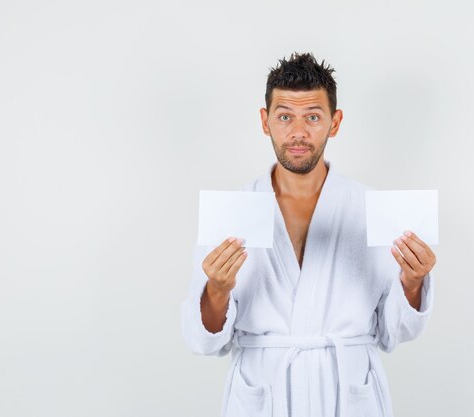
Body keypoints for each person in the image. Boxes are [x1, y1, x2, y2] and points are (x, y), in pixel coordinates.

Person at [181, 52, 436, 417]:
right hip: (263, 396)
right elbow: (202, 341)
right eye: (285, 117)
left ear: (335, 122)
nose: (298, 132)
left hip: (347, 396)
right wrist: (217, 291)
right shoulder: (234, 210)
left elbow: (393, 332)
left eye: (313, 117)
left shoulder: (370, 208)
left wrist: (413, 282)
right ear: (265, 121)